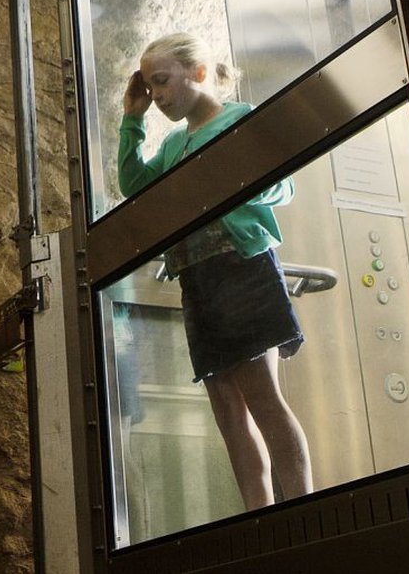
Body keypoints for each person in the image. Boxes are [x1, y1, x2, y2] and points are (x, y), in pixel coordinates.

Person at [118, 32, 312, 509]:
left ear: (198, 73)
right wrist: (132, 120)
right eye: (149, 85)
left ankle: (305, 512)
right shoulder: (173, 146)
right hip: (198, 281)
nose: (157, 94)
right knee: (227, 409)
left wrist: (230, 188)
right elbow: (134, 187)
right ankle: (259, 519)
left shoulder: (238, 121)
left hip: (241, 269)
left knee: (263, 398)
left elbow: (282, 186)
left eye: (161, 82)